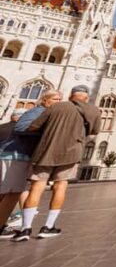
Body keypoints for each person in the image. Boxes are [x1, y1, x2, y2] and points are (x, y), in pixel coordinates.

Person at [12, 85, 100, 242]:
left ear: (70, 95)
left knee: (36, 187)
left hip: (46, 151)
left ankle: (25, 228)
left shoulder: (56, 106)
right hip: (71, 152)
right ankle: (48, 226)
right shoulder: (93, 110)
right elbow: (94, 131)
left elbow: (33, 126)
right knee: (60, 186)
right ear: (86, 98)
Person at [0, 90, 62, 239]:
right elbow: (21, 128)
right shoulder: (37, 111)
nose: (58, 102)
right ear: (45, 100)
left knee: (14, 193)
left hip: (22, 156)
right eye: (55, 99)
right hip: (15, 155)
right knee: (11, 193)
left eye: (60, 99)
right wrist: (45, 132)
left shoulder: (44, 113)